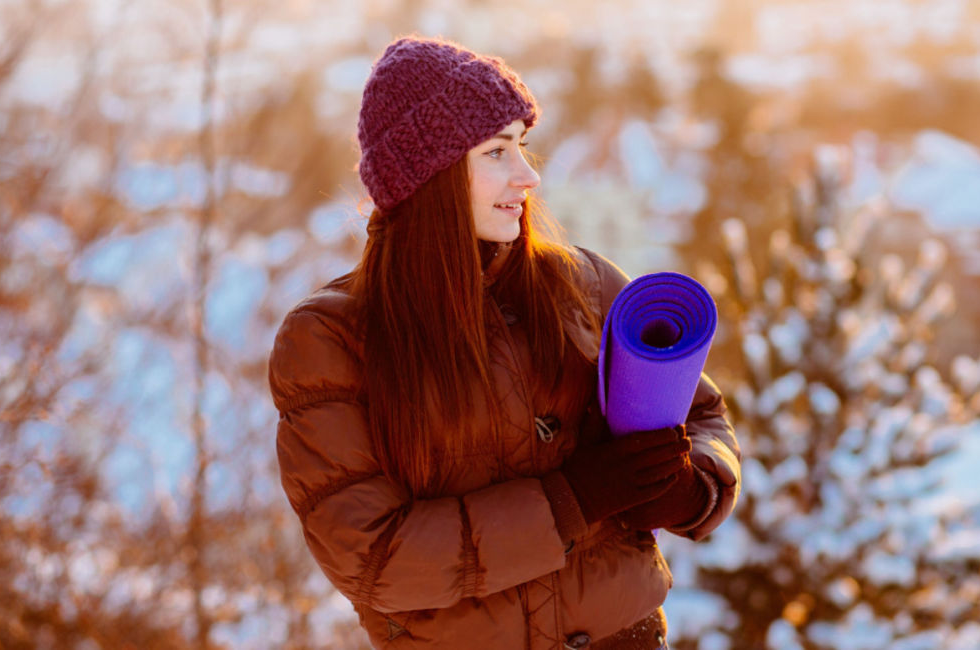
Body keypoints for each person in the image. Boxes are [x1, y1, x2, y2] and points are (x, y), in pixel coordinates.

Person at [267, 36, 741, 649]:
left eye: (522, 144)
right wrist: (574, 499)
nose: (529, 174)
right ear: (428, 177)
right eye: (496, 151)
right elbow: (374, 559)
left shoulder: (583, 284)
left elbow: (704, 416)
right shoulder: (330, 340)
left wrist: (688, 490)